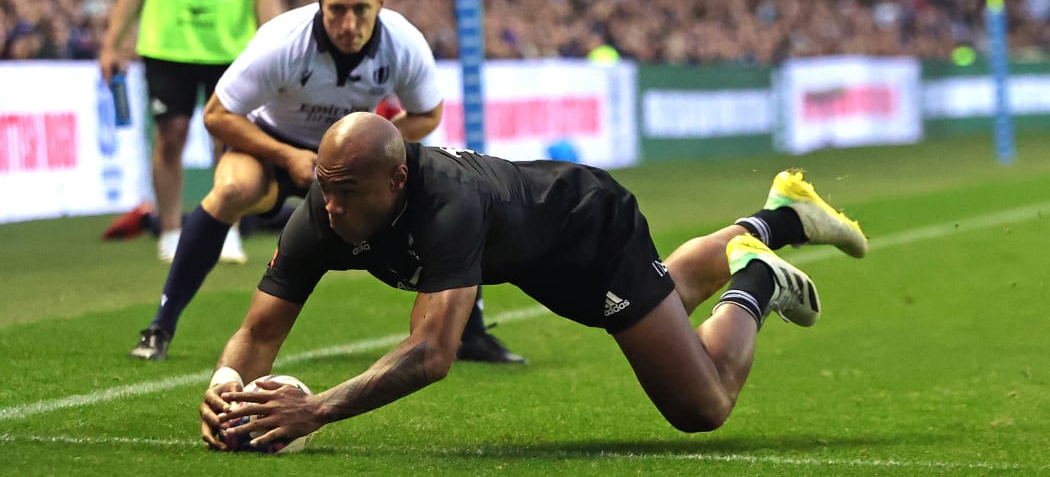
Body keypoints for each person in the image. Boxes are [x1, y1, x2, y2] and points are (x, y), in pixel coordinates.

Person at [199, 112, 868, 449]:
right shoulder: (325, 207)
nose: (331, 207)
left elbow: (433, 353)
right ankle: (780, 215)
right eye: (324, 188)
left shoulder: (447, 204)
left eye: (347, 192)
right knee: (671, 295)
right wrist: (225, 389)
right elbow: (259, 329)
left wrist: (315, 410)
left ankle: (754, 277)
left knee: (701, 407)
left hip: (589, 230)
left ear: (397, 180)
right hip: (536, 255)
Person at [130, 0, 524, 366]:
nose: (348, 24)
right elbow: (217, 114)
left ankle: (472, 333)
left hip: (354, 155)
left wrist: (375, 150)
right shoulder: (282, 42)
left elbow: (428, 113)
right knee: (231, 189)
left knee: (439, 193)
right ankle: (161, 325)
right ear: (319, 0)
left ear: (381, 4)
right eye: (337, 10)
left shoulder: (403, 42)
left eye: (361, 10)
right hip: (275, 147)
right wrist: (288, 155)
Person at [98, 0, 282, 264]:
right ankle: (170, 231)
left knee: (229, 143)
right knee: (171, 137)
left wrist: (272, 45)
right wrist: (112, 43)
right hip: (168, 49)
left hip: (228, 52)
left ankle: (228, 230)